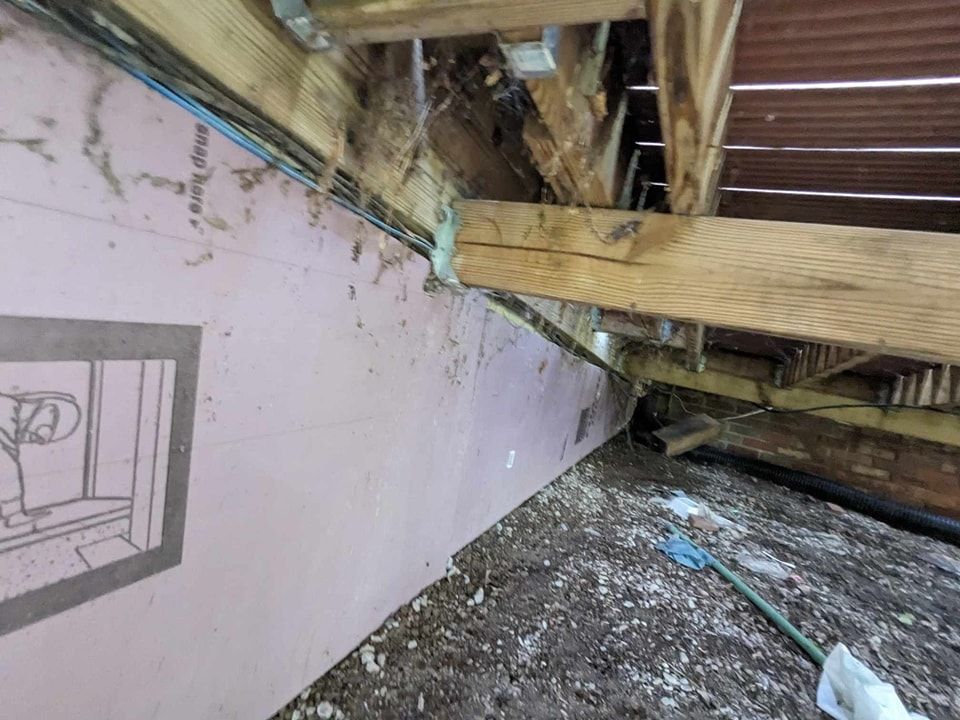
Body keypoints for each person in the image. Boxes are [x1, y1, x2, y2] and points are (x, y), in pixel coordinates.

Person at [0, 391, 81, 529]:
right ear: (48, 409)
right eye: (50, 427)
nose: (44, 438)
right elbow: (7, 463)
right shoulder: (8, 407)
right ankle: (13, 513)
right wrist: (14, 512)